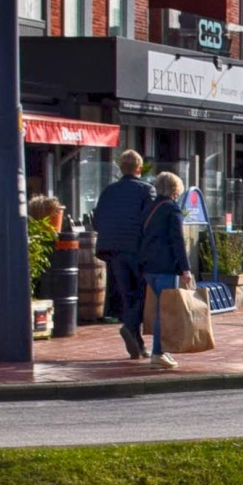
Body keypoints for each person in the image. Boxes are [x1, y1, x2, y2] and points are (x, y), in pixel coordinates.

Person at [92, 149, 151, 360]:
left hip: (113, 250)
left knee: (128, 296)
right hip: (137, 249)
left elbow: (96, 221)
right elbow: (150, 222)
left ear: (121, 168)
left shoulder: (108, 191)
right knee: (145, 293)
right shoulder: (146, 190)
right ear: (139, 168)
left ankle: (138, 344)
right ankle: (130, 327)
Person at [135, 168, 195, 368]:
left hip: (148, 266)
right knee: (165, 311)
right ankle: (158, 353)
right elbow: (177, 240)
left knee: (158, 309)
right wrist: (185, 269)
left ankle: (161, 351)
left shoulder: (149, 208)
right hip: (165, 267)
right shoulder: (172, 209)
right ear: (175, 190)